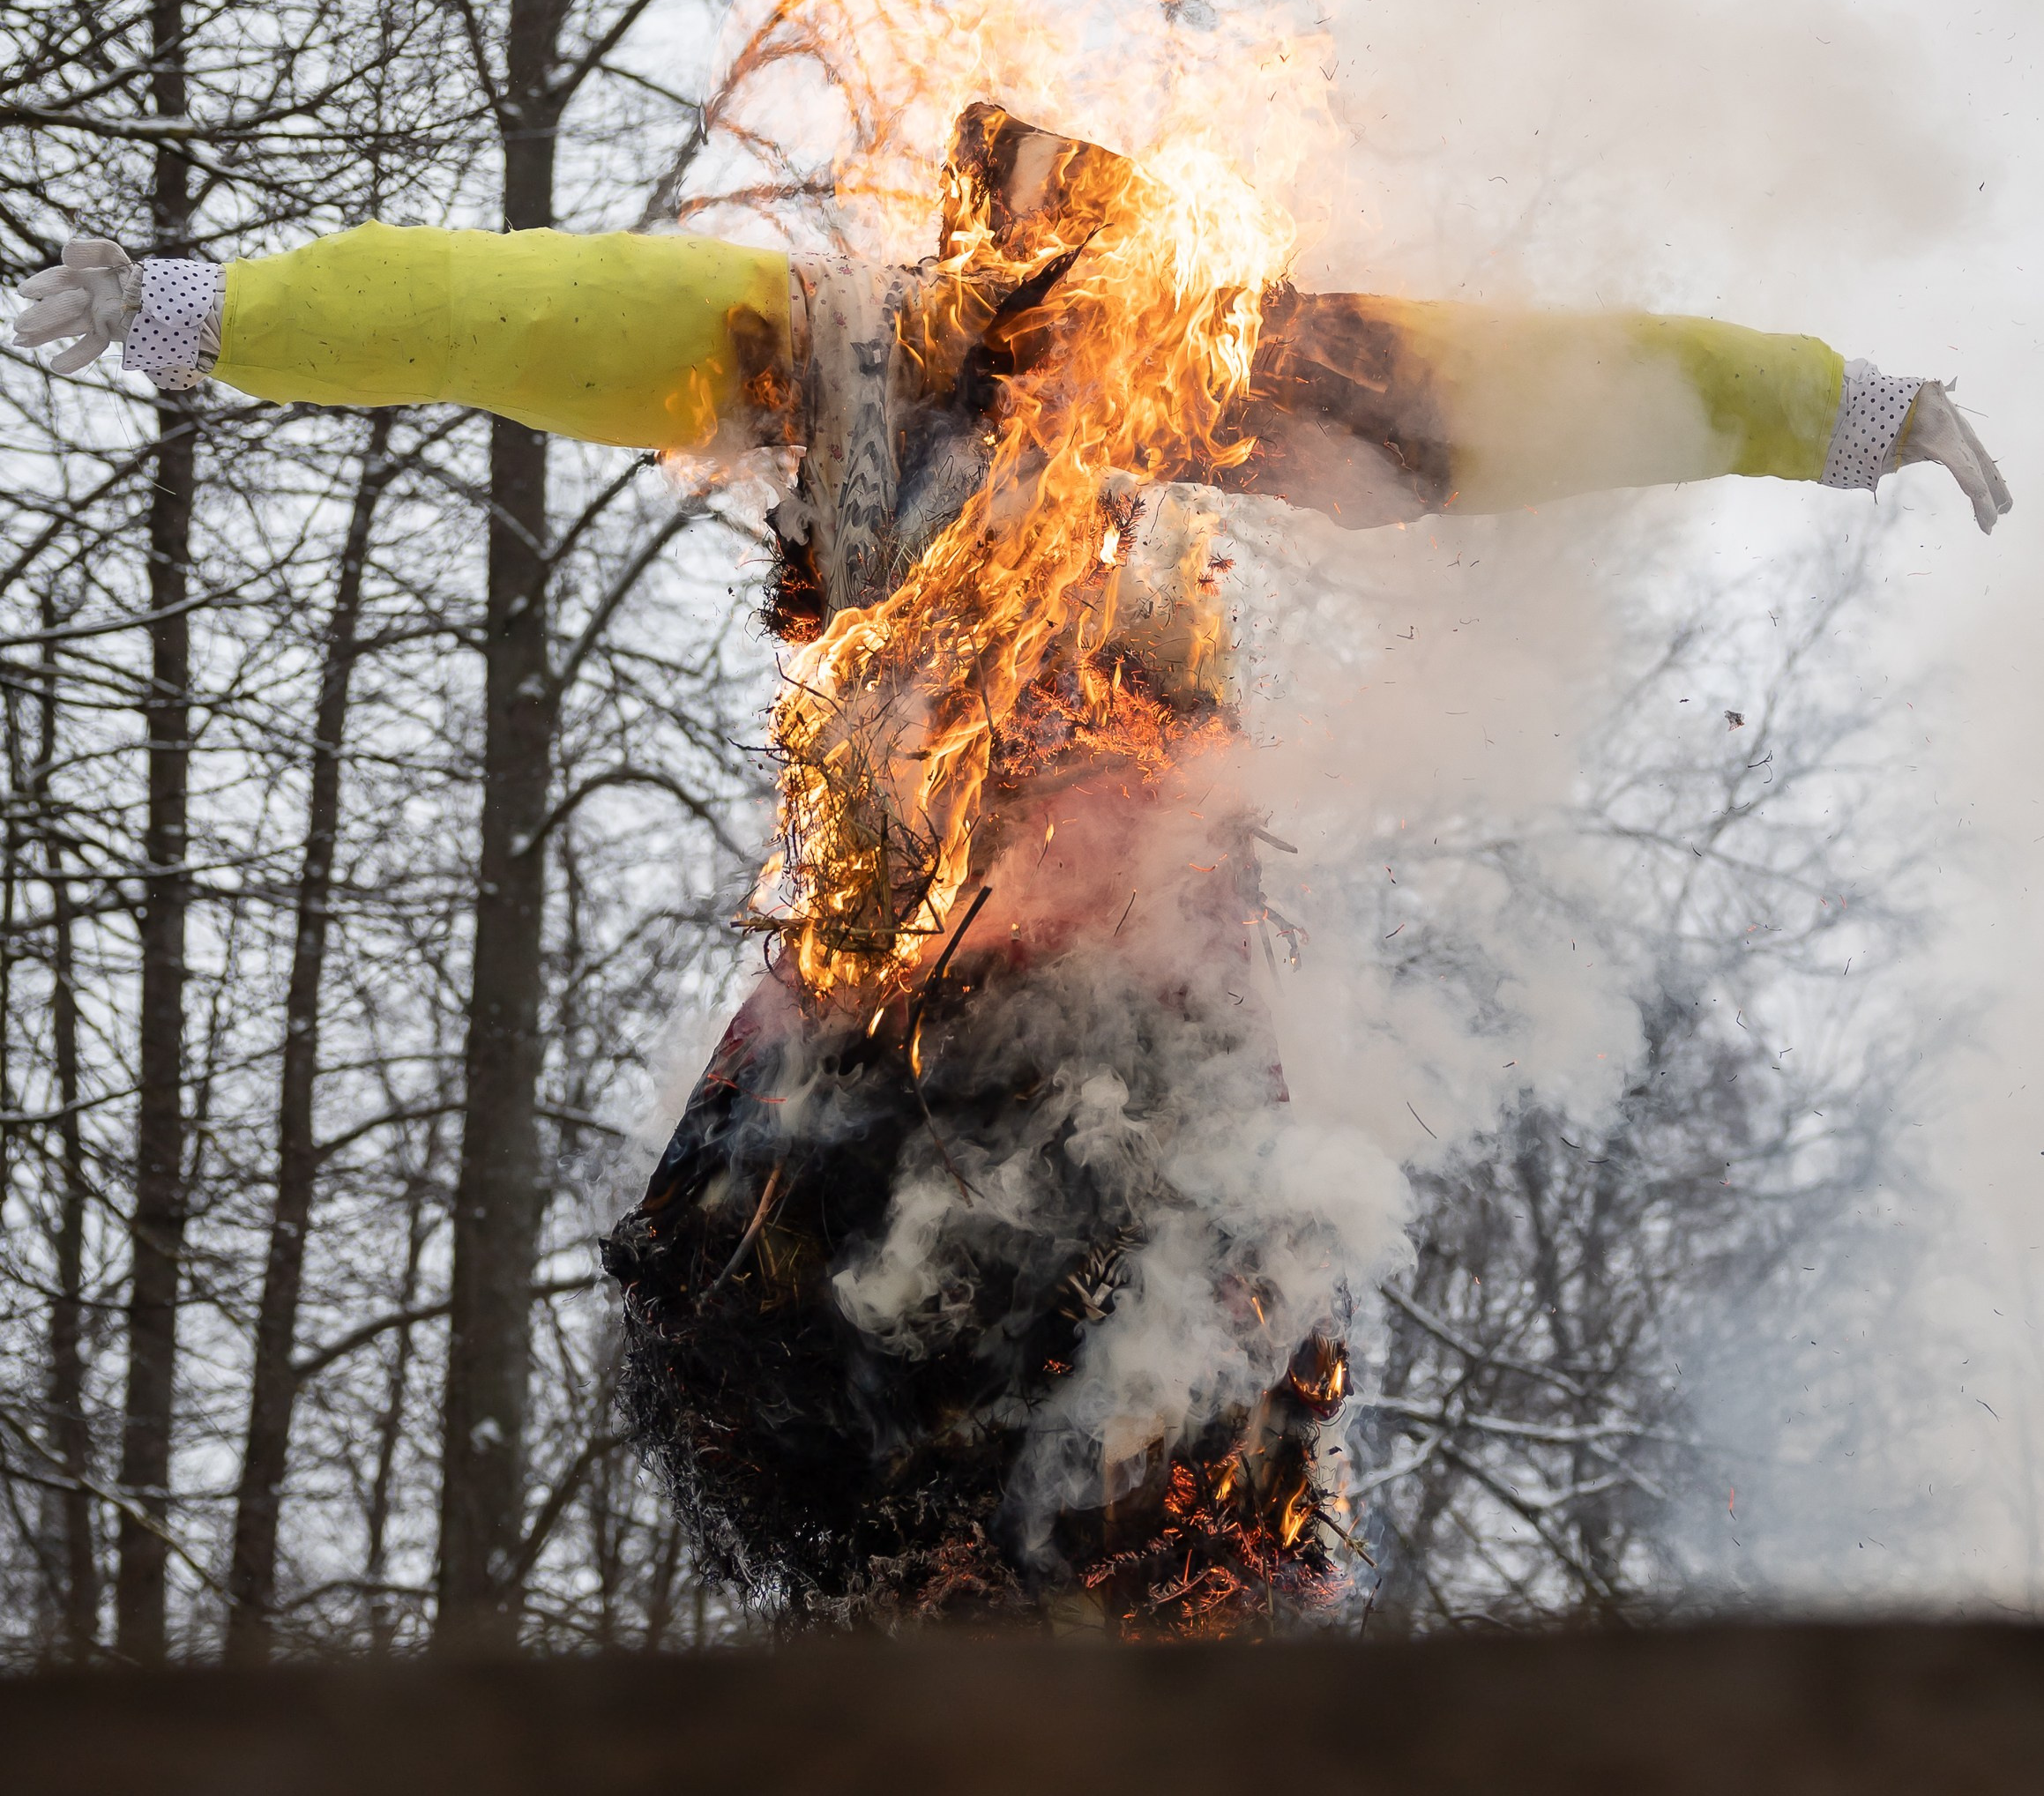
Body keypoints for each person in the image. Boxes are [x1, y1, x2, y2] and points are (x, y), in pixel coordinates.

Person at [10, 103, 2010, 1626]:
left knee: (1194, 1428)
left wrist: (1845, 410)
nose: (1066, 354)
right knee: (808, 1357)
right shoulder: (818, 346)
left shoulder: (1218, 363)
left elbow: (1523, 390)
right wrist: (211, 313)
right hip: (887, 990)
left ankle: (1196, 1636)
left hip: (1150, 985)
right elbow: (504, 312)